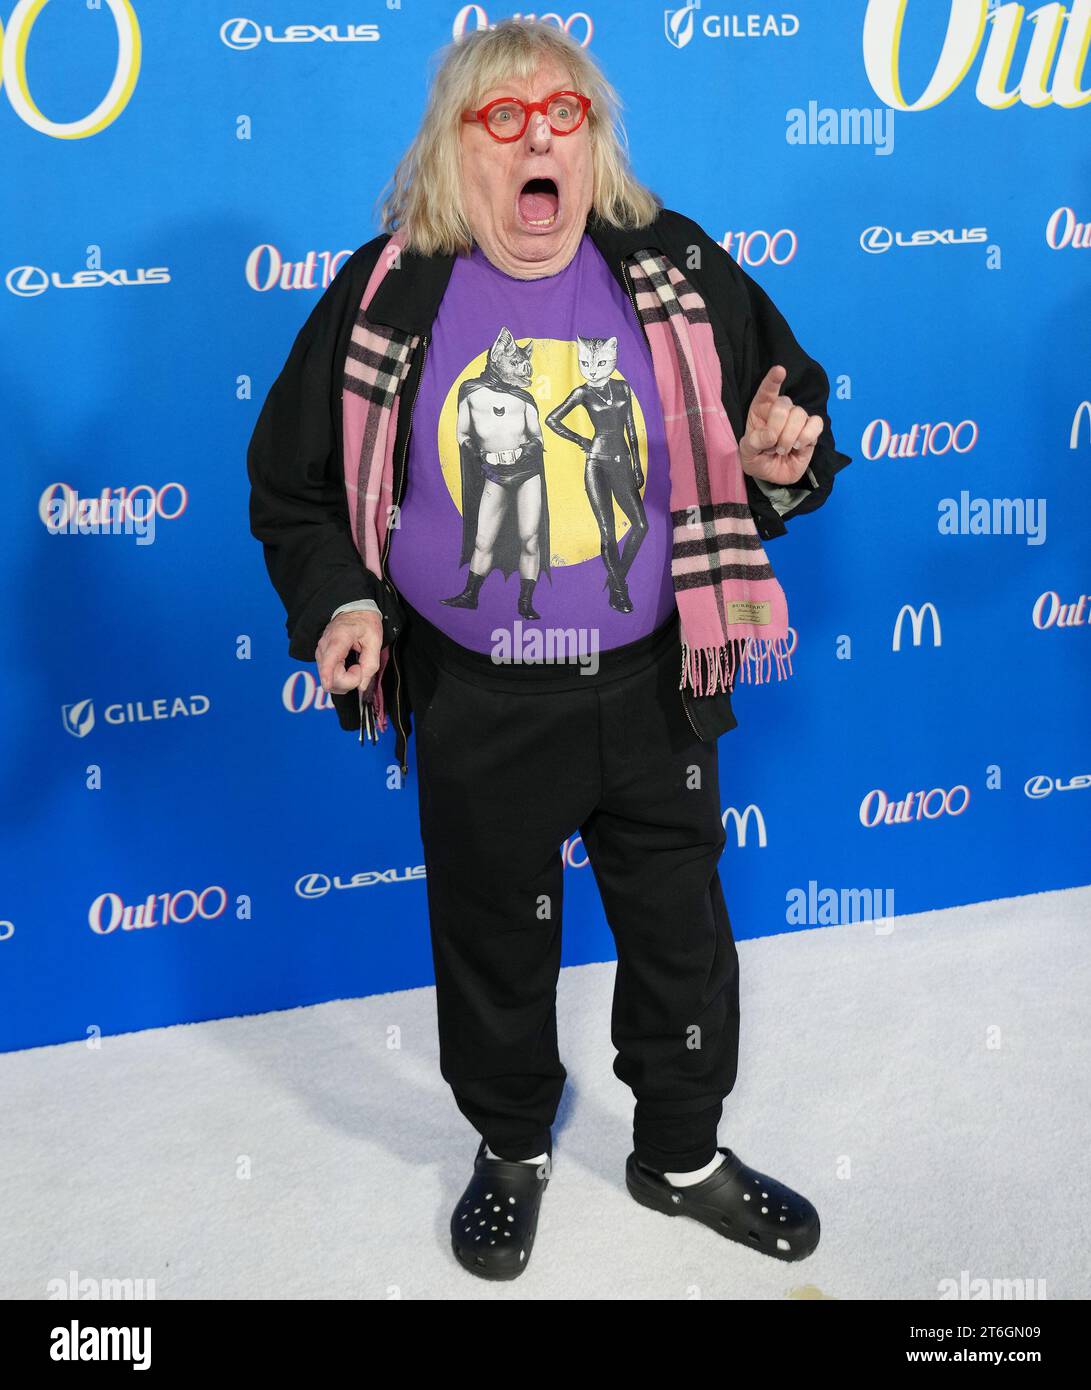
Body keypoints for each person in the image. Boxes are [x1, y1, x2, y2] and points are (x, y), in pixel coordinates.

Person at [247, 18, 852, 1283]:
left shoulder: (679, 268)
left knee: (679, 932)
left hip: (652, 685)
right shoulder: (388, 291)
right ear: (453, 153)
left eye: (562, 116)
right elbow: (296, 490)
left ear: (596, 142)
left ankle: (678, 1155)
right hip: (479, 702)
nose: (538, 139)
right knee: (493, 935)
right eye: (502, 118)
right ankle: (511, 1145)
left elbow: (782, 433)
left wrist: (773, 468)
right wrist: (345, 608)